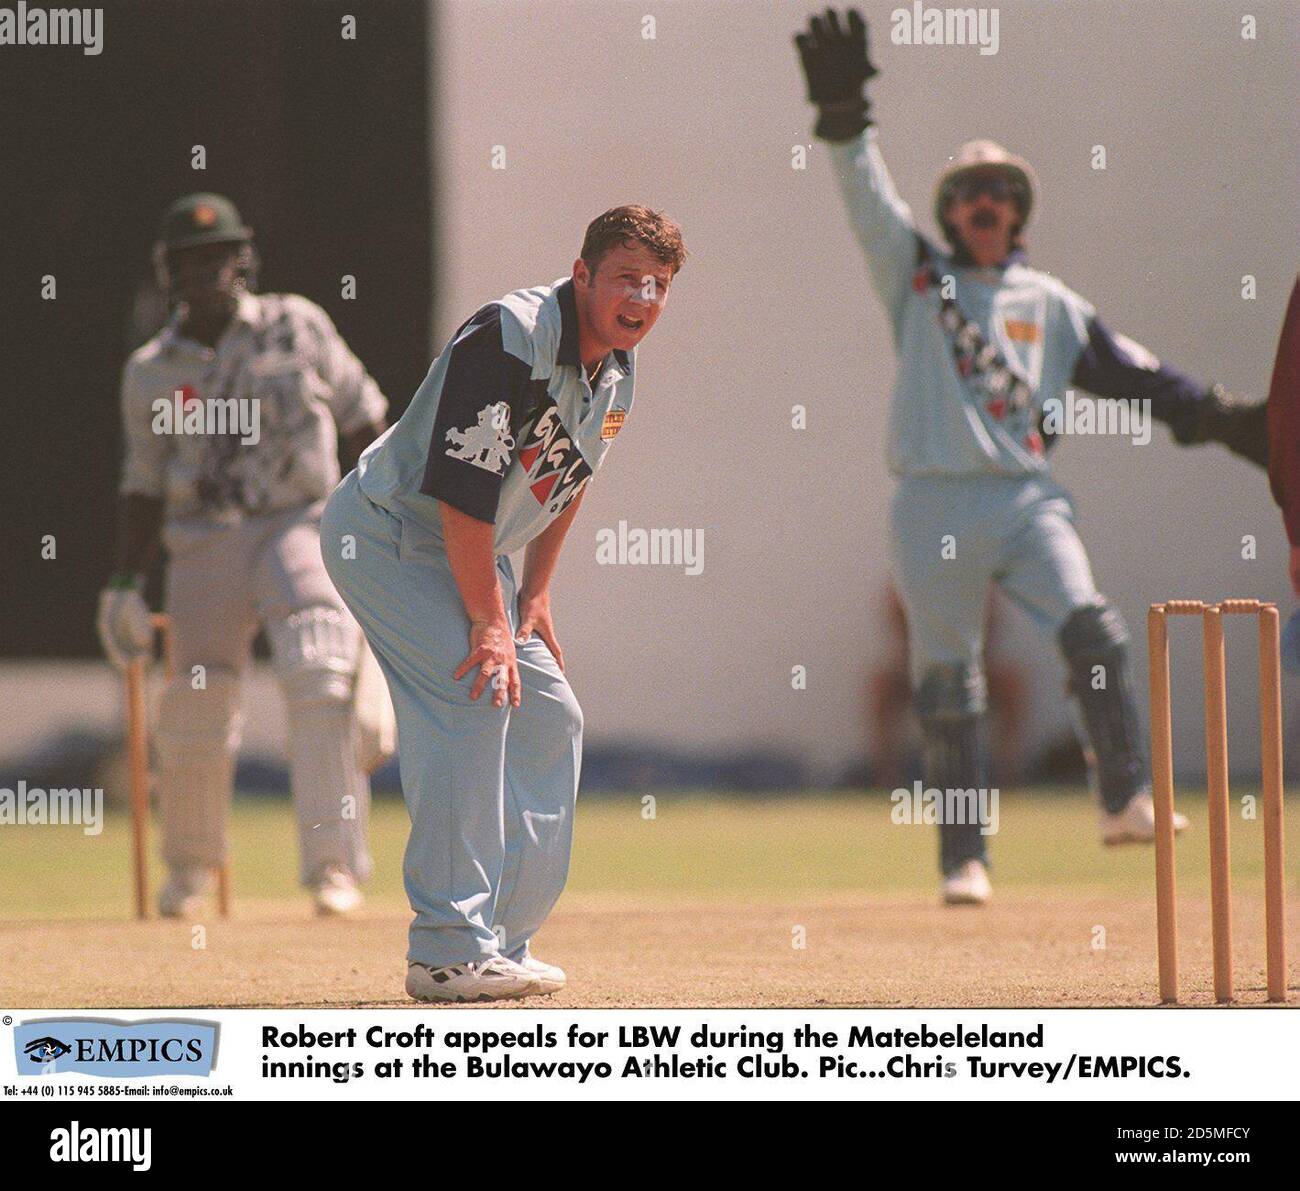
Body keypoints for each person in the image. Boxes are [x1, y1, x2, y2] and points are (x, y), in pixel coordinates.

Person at [792, 10, 1267, 905]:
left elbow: (1140, 377)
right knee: (947, 679)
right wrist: (847, 116)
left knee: (1091, 627)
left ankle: (1124, 792)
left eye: (1001, 192)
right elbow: (866, 201)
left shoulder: (1051, 300)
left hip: (1024, 497)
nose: (985, 204)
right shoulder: (920, 279)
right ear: (949, 211)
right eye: (970, 193)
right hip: (931, 502)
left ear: (1019, 212)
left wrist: (1235, 423)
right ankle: (963, 857)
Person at [321, 206, 686, 1002]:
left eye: (659, 285)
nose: (643, 297)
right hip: (388, 533)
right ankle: (447, 948)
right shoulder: (509, 335)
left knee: (551, 717)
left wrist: (538, 594)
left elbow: (569, 480)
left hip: (472, 550)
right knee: (474, 695)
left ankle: (501, 942)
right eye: (627, 276)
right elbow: (461, 493)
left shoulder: (619, 369)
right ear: (583, 273)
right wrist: (489, 618)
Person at [97, 193, 390, 918]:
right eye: (191, 261)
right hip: (204, 536)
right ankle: (191, 870)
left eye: (219, 257)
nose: (207, 272)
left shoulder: (299, 322)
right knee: (197, 700)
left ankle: (333, 868)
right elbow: (141, 481)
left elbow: (367, 422)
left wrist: (389, 525)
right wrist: (127, 581)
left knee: (320, 668)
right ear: (169, 273)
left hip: (301, 518)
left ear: (244, 259)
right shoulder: (151, 369)